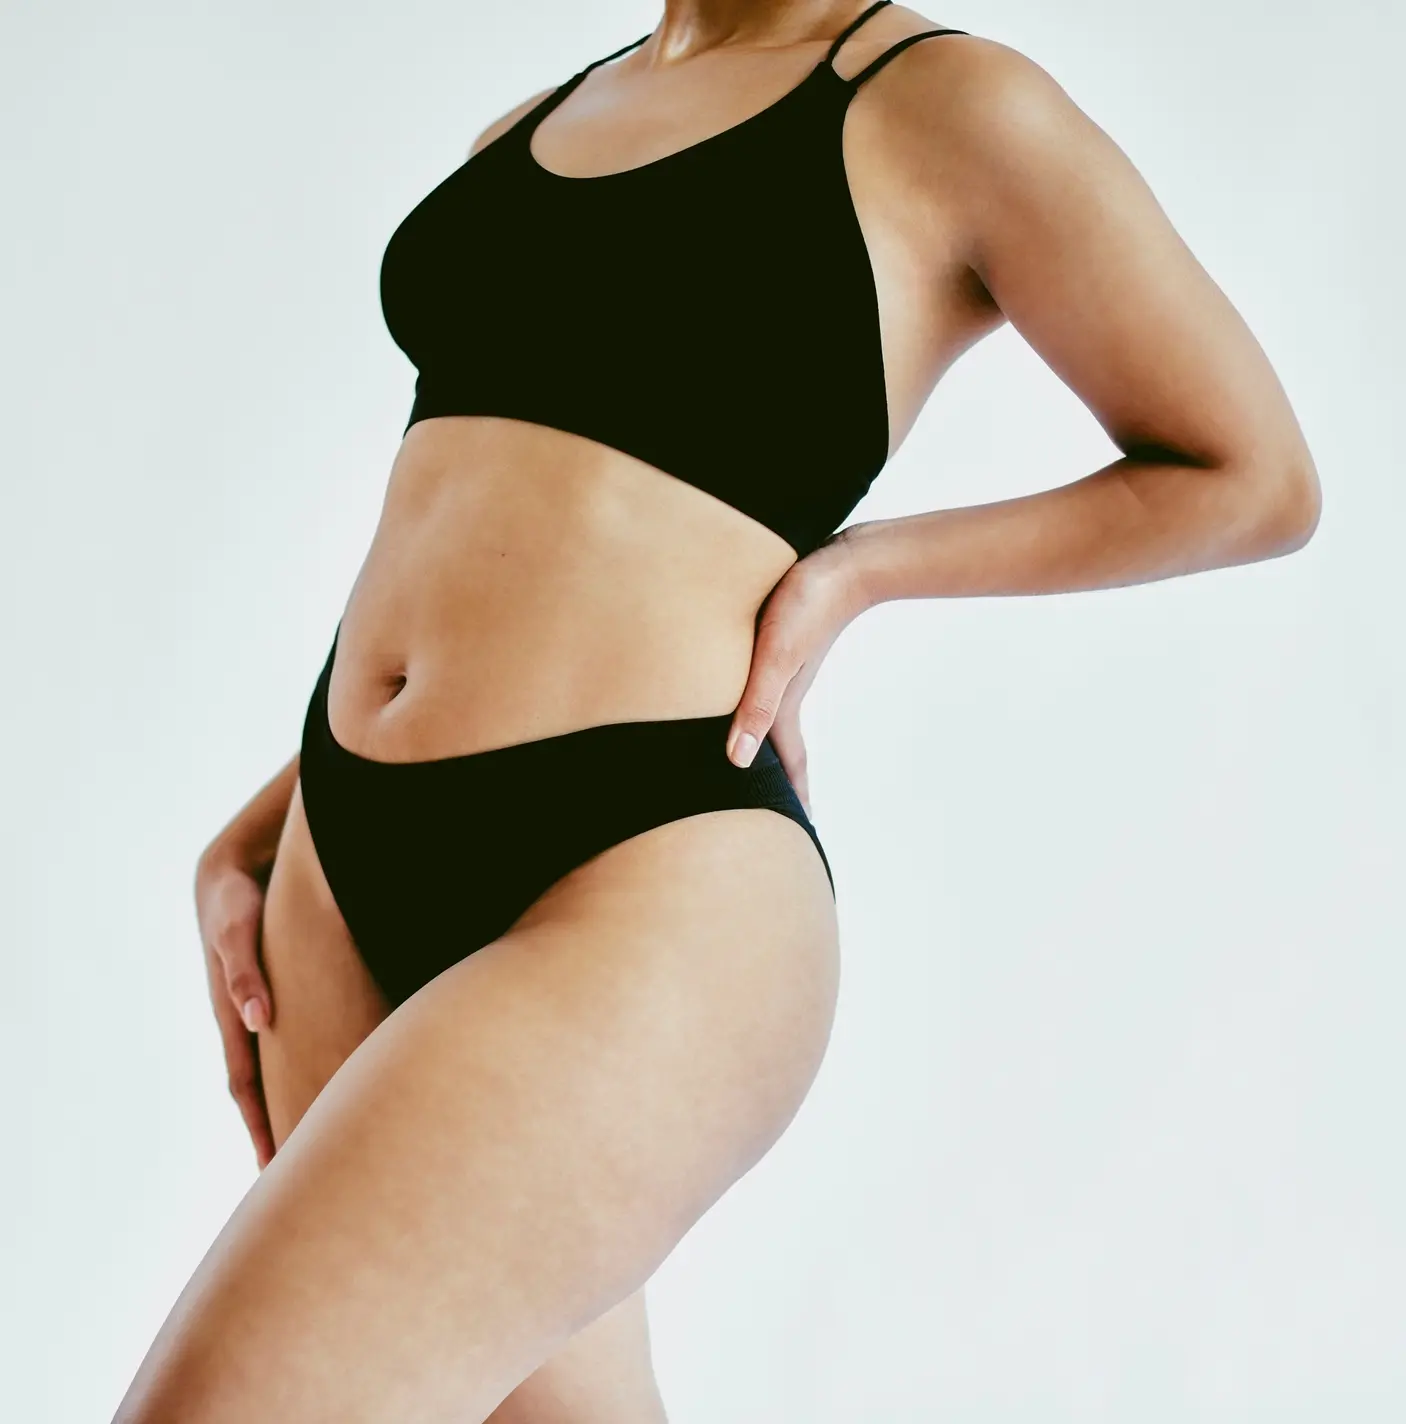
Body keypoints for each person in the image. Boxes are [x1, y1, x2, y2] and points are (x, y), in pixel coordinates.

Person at [116, 2, 1320, 1419]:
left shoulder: (950, 107)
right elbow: (488, 508)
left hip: (641, 868)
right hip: (337, 867)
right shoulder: (532, 125)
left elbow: (1250, 475)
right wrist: (279, 802)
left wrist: (855, 575)